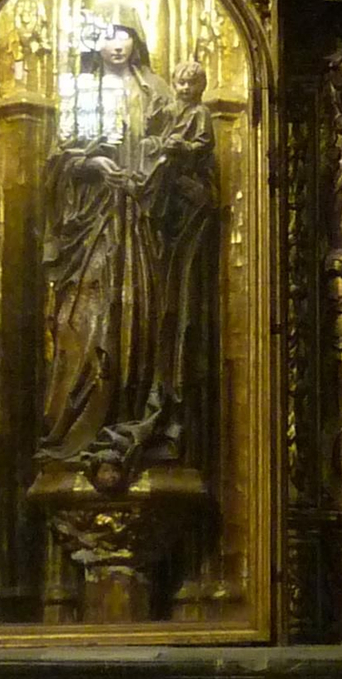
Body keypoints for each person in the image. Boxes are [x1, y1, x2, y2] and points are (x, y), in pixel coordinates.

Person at [38, 24, 215, 493]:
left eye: (124, 35)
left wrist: (159, 175)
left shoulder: (158, 92)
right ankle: (78, 431)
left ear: (137, 40)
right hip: (93, 224)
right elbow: (58, 160)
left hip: (143, 221)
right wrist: (94, 164)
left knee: (139, 319)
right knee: (83, 323)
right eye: (107, 36)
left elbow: (186, 156)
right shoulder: (82, 91)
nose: (116, 45)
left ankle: (136, 422)